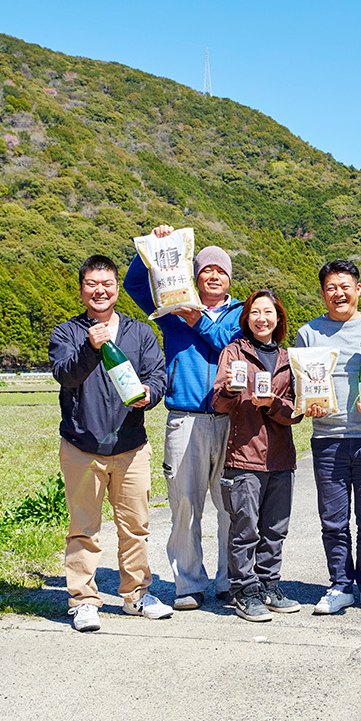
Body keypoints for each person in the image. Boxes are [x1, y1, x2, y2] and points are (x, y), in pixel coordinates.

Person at [50, 255, 170, 631]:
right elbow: (65, 376)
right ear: (82, 289)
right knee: (84, 528)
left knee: (135, 526)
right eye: (91, 284)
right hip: (81, 447)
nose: (99, 290)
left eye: (106, 284)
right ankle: (83, 600)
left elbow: (158, 376)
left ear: (117, 289)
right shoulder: (67, 333)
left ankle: (136, 595)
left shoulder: (140, 334)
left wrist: (149, 394)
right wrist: (90, 346)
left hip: (131, 446)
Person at [125, 226, 242, 610]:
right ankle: (188, 584)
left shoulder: (243, 311)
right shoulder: (172, 307)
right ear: (193, 275)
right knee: (184, 506)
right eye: (205, 269)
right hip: (185, 417)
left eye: (220, 270)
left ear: (229, 278)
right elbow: (135, 288)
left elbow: (228, 340)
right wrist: (155, 249)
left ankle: (230, 580)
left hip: (230, 420)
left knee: (231, 506)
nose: (212, 275)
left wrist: (197, 319)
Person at [294, 260, 361, 616]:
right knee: (333, 520)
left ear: (358, 289)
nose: (338, 293)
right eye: (330, 288)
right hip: (327, 439)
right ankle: (340, 584)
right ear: (323, 293)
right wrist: (305, 406)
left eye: (345, 286)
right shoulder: (308, 333)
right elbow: (300, 386)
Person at [212, 290, 305, 622]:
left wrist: (274, 405)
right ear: (246, 317)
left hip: (281, 457)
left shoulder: (287, 359)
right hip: (244, 456)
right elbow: (217, 404)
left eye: (269, 312)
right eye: (255, 312)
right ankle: (244, 591)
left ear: (278, 318)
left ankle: (269, 585)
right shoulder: (235, 352)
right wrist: (230, 392)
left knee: (276, 528)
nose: (262, 318)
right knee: (245, 528)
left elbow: (296, 412)